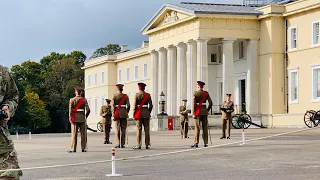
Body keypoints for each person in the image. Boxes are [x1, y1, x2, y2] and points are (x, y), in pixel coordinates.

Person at [0, 65, 23, 179]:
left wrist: (7, 107)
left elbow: (13, 96)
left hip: (2, 147)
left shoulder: (2, 73)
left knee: (9, 176)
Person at [190, 81, 213, 148]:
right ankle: (206, 143)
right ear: (202, 87)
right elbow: (211, 103)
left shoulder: (195, 93)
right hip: (204, 112)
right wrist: (207, 110)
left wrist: (193, 113)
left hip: (197, 112)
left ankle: (196, 143)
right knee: (205, 128)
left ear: (198, 86)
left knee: (197, 128)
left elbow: (194, 104)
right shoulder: (206, 93)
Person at [68, 86, 90, 153]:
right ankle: (83, 148)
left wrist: (70, 117)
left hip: (74, 118)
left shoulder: (72, 100)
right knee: (83, 134)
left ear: (75, 92)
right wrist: (85, 116)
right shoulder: (84, 99)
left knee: (74, 134)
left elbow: (70, 110)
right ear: (81, 92)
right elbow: (88, 110)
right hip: (82, 118)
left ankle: (73, 148)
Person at [133, 83, 153, 150]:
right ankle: (147, 144)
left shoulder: (137, 95)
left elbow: (135, 105)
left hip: (139, 114)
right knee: (147, 130)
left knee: (139, 129)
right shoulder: (148, 95)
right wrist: (148, 112)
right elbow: (150, 106)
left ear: (139, 88)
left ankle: (138, 144)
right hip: (146, 113)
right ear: (144, 88)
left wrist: (134, 113)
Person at [111, 84, 130, 148]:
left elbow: (113, 106)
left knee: (117, 129)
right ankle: (123, 144)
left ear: (117, 89)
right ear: (122, 89)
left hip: (117, 114)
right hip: (124, 113)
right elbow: (128, 106)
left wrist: (113, 114)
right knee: (123, 129)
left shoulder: (115, 96)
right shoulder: (125, 96)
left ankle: (118, 143)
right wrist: (126, 112)